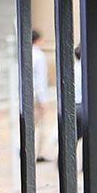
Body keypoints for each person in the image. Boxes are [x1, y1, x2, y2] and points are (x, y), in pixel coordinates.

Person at [32, 29, 53, 162]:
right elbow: (40, 79)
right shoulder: (39, 55)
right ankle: (39, 153)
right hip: (36, 95)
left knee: (29, 125)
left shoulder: (23, 52)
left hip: (27, 94)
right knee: (42, 125)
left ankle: (24, 150)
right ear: (38, 40)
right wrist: (43, 99)